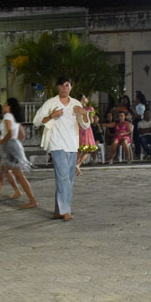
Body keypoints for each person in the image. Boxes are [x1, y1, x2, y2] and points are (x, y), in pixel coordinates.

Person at [33, 76, 90, 221]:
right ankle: (66, 211)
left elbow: (85, 125)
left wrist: (84, 113)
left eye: (67, 85)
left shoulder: (76, 104)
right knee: (63, 177)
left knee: (68, 178)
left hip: (72, 145)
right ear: (58, 87)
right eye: (62, 85)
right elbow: (36, 121)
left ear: (71, 87)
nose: (65, 87)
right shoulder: (51, 103)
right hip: (57, 144)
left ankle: (58, 210)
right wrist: (51, 116)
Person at [0, 98, 36, 208]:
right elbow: (22, 135)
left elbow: (9, 132)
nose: (3, 106)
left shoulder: (8, 116)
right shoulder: (14, 117)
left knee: (18, 175)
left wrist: (2, 142)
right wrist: (16, 144)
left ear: (9, 106)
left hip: (9, 147)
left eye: (5, 104)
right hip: (13, 146)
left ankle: (32, 200)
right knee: (4, 175)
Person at [76, 95, 98, 175]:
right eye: (85, 97)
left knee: (78, 150)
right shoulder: (90, 108)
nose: (87, 99)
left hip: (78, 129)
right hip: (86, 129)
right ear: (82, 99)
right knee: (86, 150)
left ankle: (75, 167)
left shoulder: (76, 108)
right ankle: (78, 165)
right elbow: (91, 121)